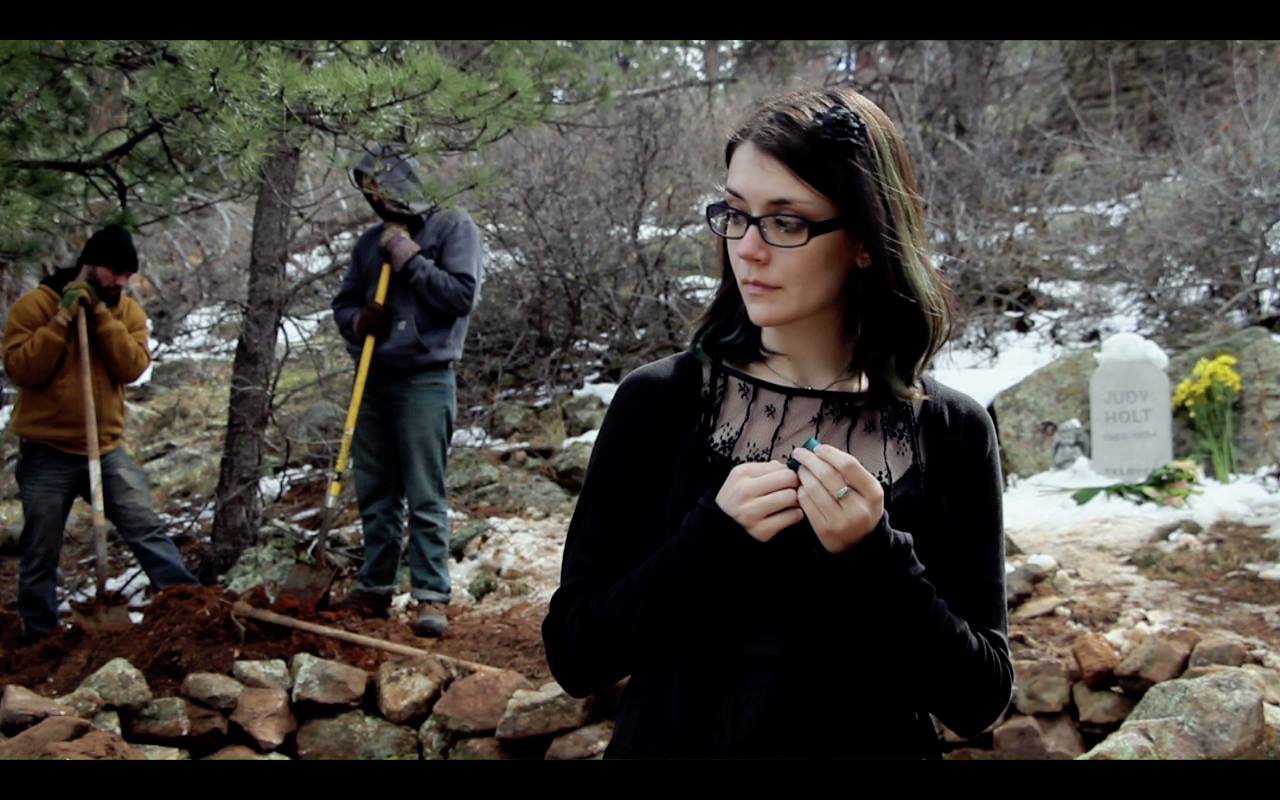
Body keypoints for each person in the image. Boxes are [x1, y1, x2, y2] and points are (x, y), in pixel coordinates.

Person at [542, 87, 1013, 758]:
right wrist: (706, 539)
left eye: (786, 222)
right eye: (736, 214)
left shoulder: (951, 431)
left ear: (865, 241)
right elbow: (577, 654)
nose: (749, 249)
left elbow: (978, 700)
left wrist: (877, 557)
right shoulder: (658, 405)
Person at [3, 224, 199, 645]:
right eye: (114, 272)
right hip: (47, 451)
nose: (121, 282)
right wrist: (62, 319)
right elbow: (22, 369)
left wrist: (100, 317)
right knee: (40, 546)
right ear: (89, 265)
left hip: (106, 450)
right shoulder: (36, 305)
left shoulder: (125, 311)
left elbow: (133, 367)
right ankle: (40, 637)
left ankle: (191, 608)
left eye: (127, 275)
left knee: (144, 525)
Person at [330, 144, 483, 637]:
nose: (375, 200)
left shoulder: (453, 227)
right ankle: (373, 588)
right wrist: (358, 321)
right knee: (375, 490)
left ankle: (430, 595)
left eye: (380, 188)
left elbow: (459, 297)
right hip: (374, 376)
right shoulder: (369, 242)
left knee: (424, 490)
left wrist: (408, 257)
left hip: (425, 377)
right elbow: (344, 303)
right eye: (368, 192)